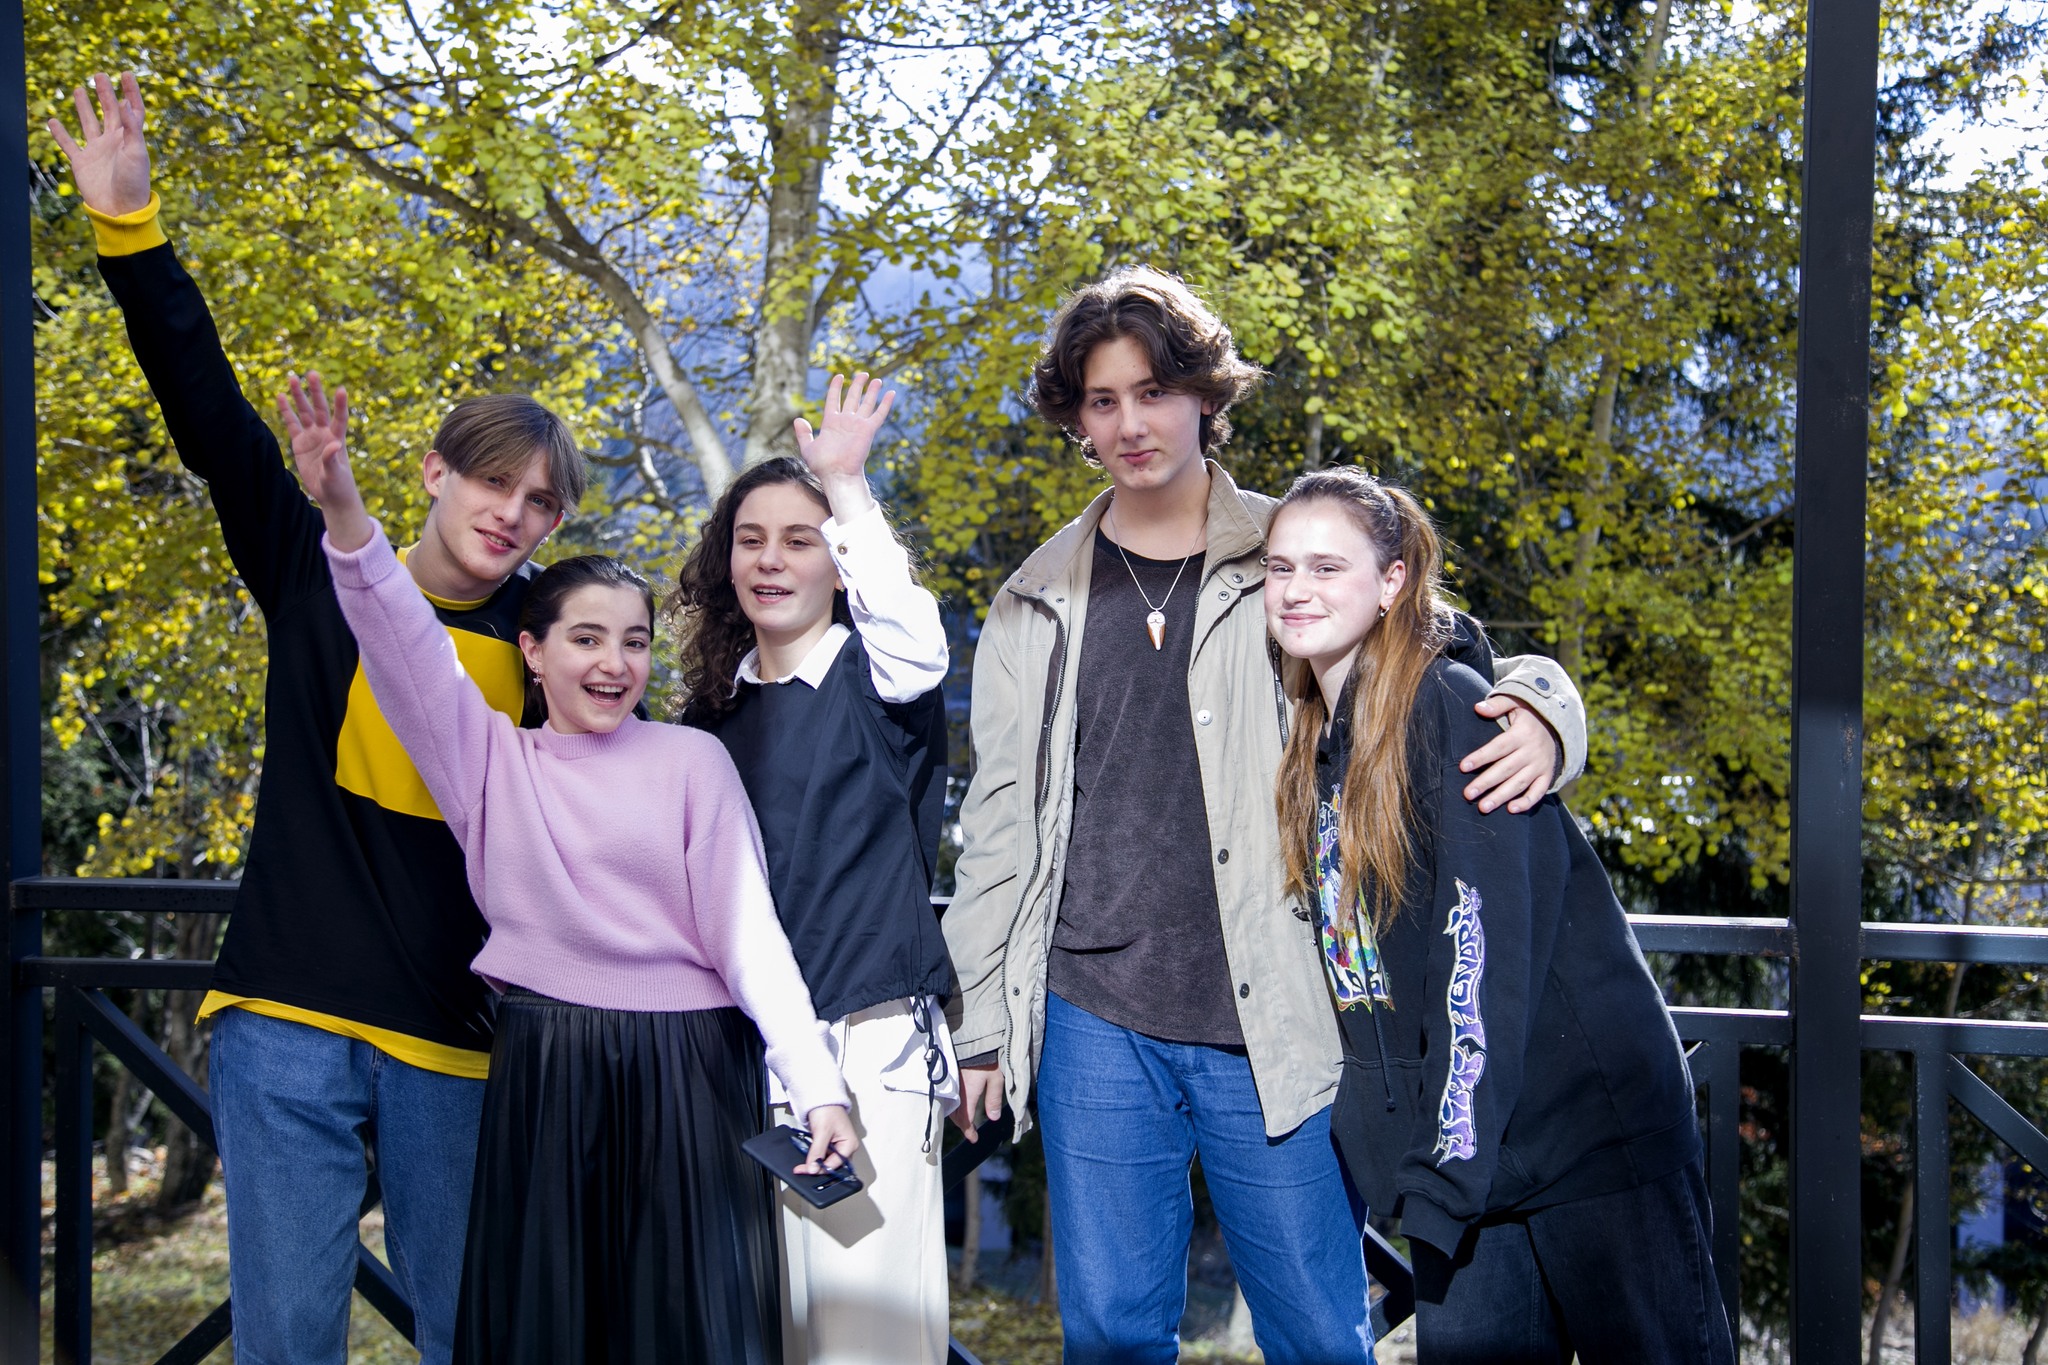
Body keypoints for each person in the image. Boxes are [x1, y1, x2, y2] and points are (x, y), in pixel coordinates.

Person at [941, 265, 1590, 1363]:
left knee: (1316, 1333)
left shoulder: (1286, 554)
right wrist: (980, 1028)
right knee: (1107, 1334)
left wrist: (1544, 712)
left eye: (1153, 391)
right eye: (1102, 400)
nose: (1130, 423)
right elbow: (997, 831)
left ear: (1203, 394)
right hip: (1093, 1016)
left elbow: (1455, 652)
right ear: (1077, 420)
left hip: (1277, 1012)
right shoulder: (1031, 601)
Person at [51, 73, 586, 1365]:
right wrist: (129, 229)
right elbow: (207, 414)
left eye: (541, 503)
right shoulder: (315, 567)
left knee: (479, 1337)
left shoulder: (550, 640)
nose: (512, 515)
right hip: (285, 1017)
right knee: (288, 1341)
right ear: (434, 471)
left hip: (458, 1040)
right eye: (493, 483)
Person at [278, 372, 859, 1363]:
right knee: (546, 1333)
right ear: (532, 652)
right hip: (544, 1066)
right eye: (586, 638)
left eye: (634, 643)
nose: (613, 664)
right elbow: (397, 634)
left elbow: (749, 940)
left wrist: (819, 1089)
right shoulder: (487, 762)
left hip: (691, 1068)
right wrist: (342, 509)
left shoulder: (691, 761)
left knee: (687, 1334)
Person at [1266, 466, 1733, 1364]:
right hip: (1467, 1168)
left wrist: (1442, 1168)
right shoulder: (1316, 736)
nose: (1297, 590)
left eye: (1327, 567)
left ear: (1392, 581)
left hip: (1586, 1138)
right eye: (1281, 568)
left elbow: (1480, 956)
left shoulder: (1449, 707)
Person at [673, 374, 958, 1364]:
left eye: (800, 540)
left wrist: (845, 487)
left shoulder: (879, 678)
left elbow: (916, 641)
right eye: (751, 539)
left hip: (867, 1052)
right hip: (739, 1065)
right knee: (768, 1337)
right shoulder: (709, 717)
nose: (770, 558)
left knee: (862, 1341)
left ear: (838, 565)